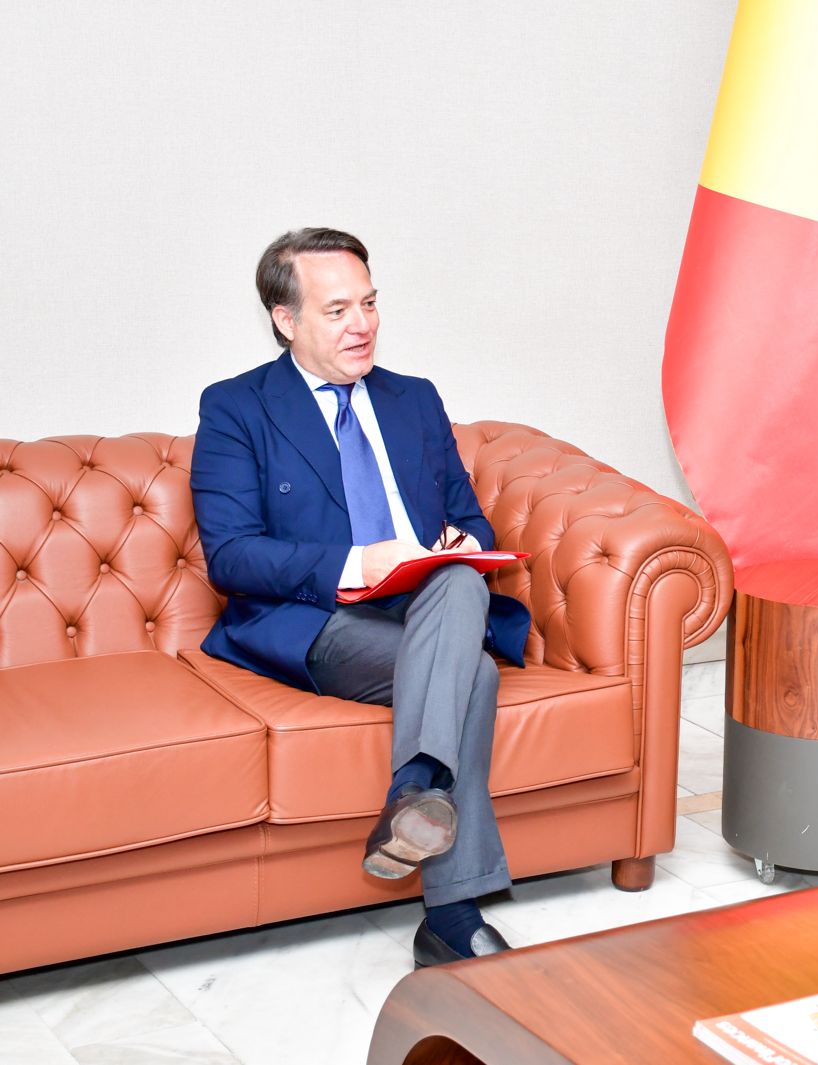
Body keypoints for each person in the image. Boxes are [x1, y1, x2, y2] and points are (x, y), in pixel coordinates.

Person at [190, 228, 532, 967]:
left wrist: (462, 542)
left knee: (455, 577)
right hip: (322, 619)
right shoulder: (236, 408)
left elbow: (470, 520)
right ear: (286, 319)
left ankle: (411, 799)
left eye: (370, 304)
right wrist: (354, 561)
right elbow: (232, 555)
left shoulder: (414, 399)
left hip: (428, 605)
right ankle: (452, 911)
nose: (362, 325)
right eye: (338, 310)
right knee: (471, 674)